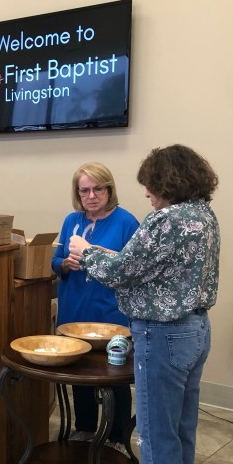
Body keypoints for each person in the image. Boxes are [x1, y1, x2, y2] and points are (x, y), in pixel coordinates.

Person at [69, 145, 220, 464]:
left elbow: (121, 272)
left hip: (164, 334)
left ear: (168, 182)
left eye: (150, 184)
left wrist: (86, 252)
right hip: (197, 329)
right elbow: (152, 267)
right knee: (181, 428)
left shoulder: (165, 220)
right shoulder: (203, 215)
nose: (147, 193)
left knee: (156, 434)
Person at [51, 162, 139, 449]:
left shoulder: (127, 222)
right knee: (80, 374)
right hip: (74, 311)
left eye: (98, 189)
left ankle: (117, 436)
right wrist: (65, 263)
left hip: (111, 315)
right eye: (84, 190)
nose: (91, 196)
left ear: (109, 189)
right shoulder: (71, 220)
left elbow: (134, 269)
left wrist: (99, 256)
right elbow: (55, 261)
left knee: (114, 377)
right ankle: (85, 429)